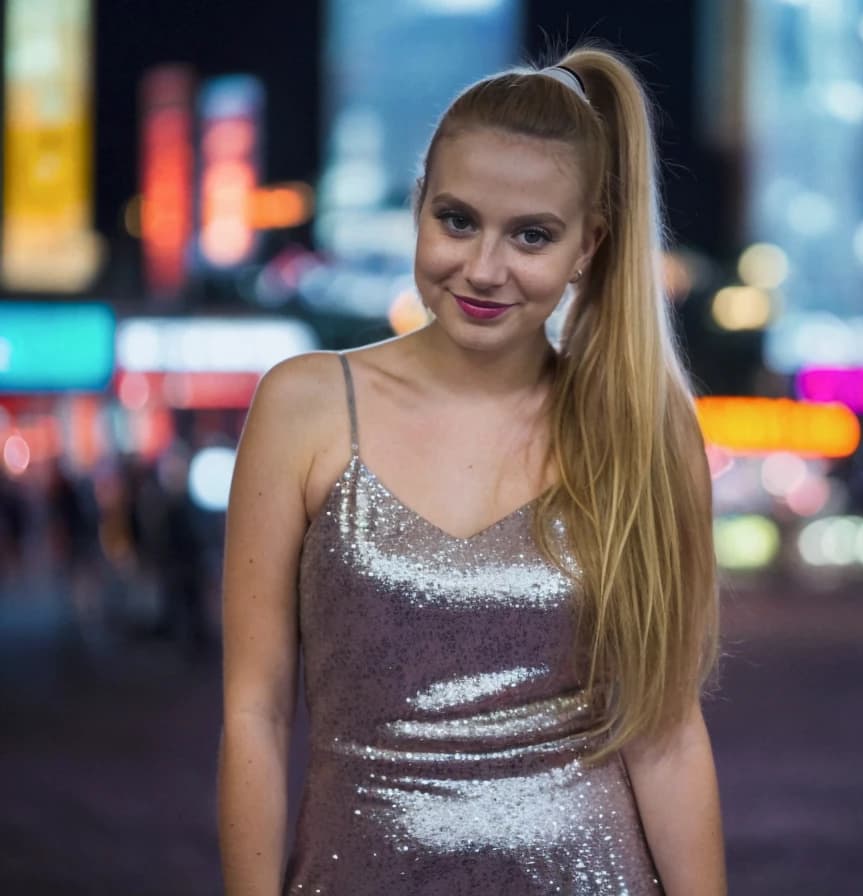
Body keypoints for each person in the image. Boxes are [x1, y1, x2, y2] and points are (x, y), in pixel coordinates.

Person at [218, 46, 724, 895]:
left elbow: (665, 734)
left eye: (532, 234)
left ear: (588, 247)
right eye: (457, 220)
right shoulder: (302, 406)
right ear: (419, 206)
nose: (484, 269)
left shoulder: (644, 432)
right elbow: (252, 716)